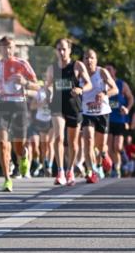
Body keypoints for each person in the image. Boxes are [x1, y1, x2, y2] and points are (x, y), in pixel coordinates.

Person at [0, 37, 37, 193]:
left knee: (19, 145)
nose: (7, 50)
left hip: (19, 105)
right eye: (3, 48)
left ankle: (23, 155)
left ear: (14, 48)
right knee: (2, 144)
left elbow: (37, 86)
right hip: (2, 105)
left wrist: (25, 83)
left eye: (9, 47)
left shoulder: (22, 64)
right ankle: (7, 179)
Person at [45, 39, 91, 186]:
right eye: (59, 49)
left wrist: (80, 89)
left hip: (74, 106)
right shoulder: (52, 68)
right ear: (56, 51)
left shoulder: (77, 65)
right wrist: (49, 93)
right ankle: (60, 172)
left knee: (73, 142)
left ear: (70, 50)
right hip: (57, 106)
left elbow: (89, 83)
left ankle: (70, 170)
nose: (62, 52)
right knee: (58, 138)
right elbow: (48, 85)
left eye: (64, 49)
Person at [80, 49, 118, 183]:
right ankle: (91, 171)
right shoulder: (79, 74)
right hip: (86, 113)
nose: (88, 60)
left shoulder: (101, 72)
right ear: (83, 60)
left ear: (96, 60)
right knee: (88, 140)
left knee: (100, 145)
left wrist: (104, 94)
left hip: (102, 112)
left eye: (91, 58)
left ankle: (103, 153)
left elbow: (115, 89)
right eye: (86, 58)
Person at [105, 64, 134, 178]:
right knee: (109, 146)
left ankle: (124, 157)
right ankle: (116, 168)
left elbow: (131, 98)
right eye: (105, 69)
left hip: (120, 120)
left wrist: (127, 108)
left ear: (114, 71)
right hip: (107, 119)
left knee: (117, 146)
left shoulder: (122, 84)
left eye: (109, 69)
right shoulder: (102, 84)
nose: (107, 71)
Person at [26, 82, 53, 177]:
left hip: (52, 120)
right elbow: (32, 106)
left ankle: (49, 165)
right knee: (42, 145)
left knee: (50, 143)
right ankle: (40, 163)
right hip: (40, 120)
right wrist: (42, 103)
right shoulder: (40, 92)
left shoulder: (57, 91)